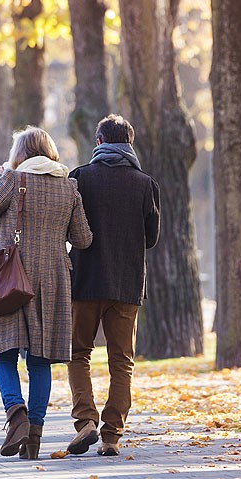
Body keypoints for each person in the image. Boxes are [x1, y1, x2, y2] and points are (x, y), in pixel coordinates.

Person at [0, 126, 92, 460]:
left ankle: (16, 416)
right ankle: (34, 437)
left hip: (10, 278)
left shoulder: (13, 179)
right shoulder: (69, 187)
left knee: (3, 352)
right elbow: (83, 239)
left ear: (20, 154)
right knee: (40, 359)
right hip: (54, 279)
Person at [66, 114, 160, 457]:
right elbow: (150, 238)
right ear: (129, 144)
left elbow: (69, 229)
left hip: (85, 281)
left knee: (78, 354)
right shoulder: (145, 184)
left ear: (99, 143)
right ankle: (111, 436)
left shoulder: (80, 178)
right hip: (126, 285)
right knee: (122, 360)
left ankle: (85, 422)